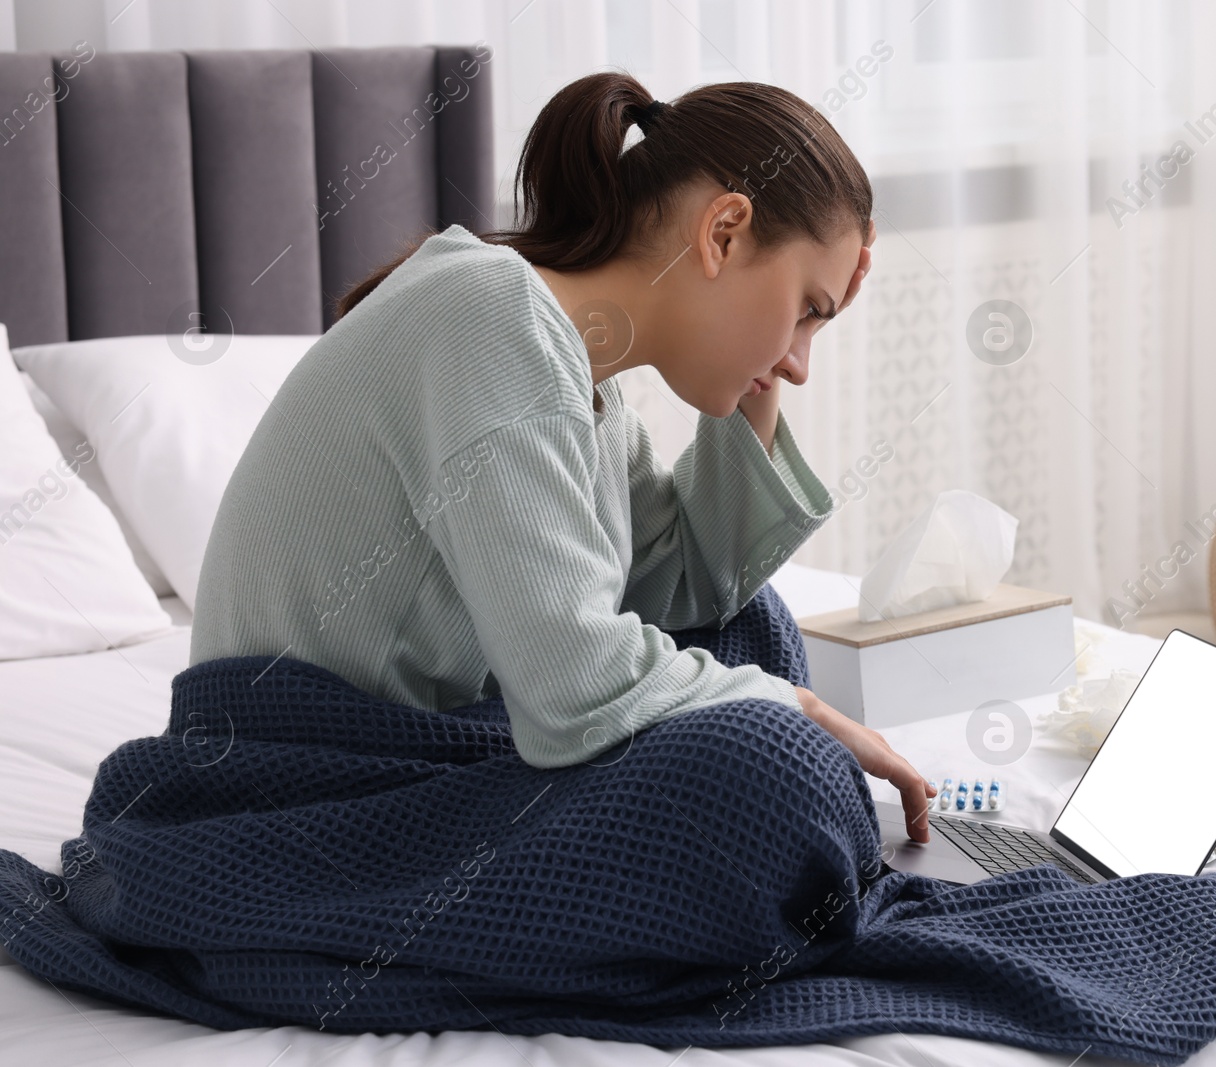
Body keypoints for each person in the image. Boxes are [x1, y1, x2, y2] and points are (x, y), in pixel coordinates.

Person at [188, 71, 935, 841]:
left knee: (750, 634)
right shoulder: (492, 318)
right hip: (294, 778)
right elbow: (575, 691)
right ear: (722, 234)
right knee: (765, 752)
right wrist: (800, 710)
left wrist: (767, 358)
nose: (802, 365)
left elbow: (699, 586)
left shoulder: (583, 385)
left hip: (410, 750)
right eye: (809, 311)